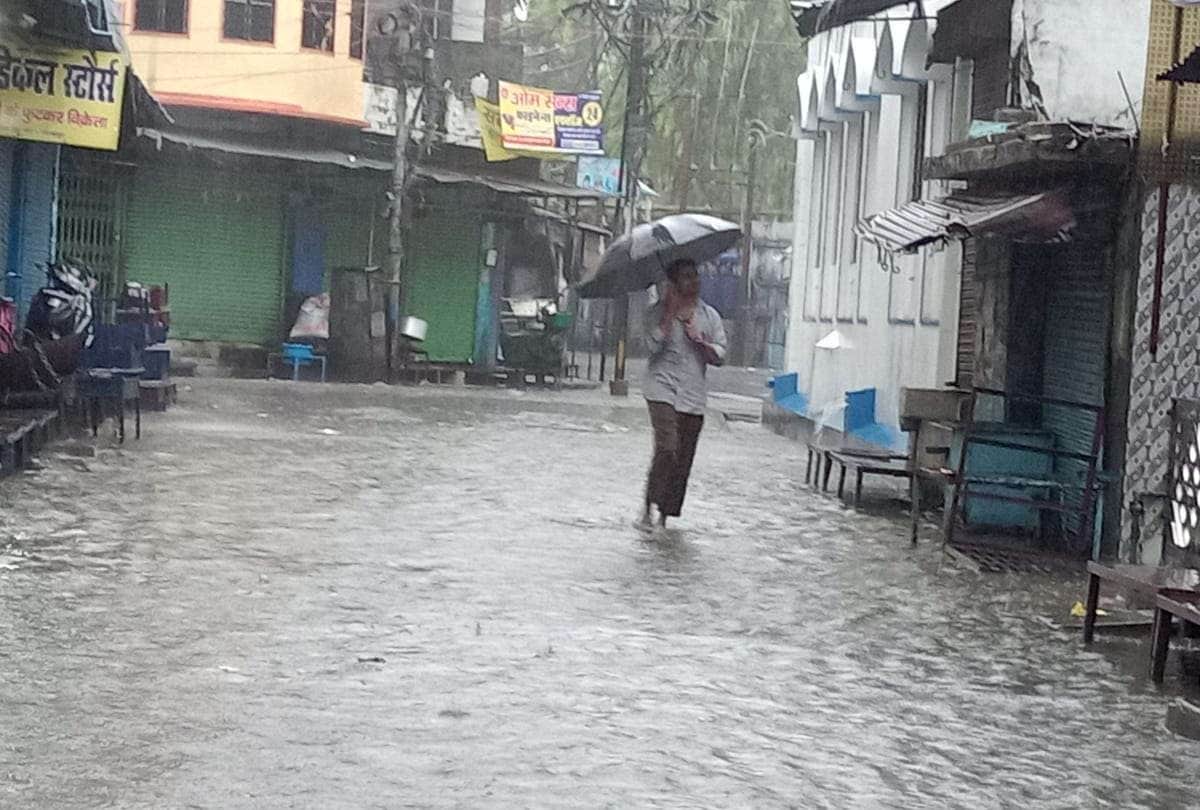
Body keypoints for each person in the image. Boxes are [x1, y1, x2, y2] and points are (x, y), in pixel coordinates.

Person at [640, 259, 727, 529]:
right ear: (674, 283)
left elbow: (721, 354)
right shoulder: (654, 313)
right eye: (687, 277)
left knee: (683, 458)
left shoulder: (709, 316)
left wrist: (700, 341)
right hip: (661, 390)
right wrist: (668, 316)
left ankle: (664, 517)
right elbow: (651, 346)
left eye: (695, 276)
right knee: (667, 447)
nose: (694, 282)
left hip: (693, 396)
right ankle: (647, 507)